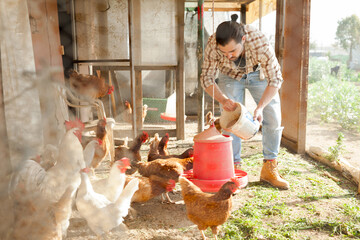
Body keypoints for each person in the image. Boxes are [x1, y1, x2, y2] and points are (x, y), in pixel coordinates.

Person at [200, 14, 289, 190]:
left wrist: (260, 107)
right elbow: (206, 79)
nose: (228, 55)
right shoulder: (212, 43)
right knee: (229, 121)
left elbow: (276, 79)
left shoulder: (259, 42)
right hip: (229, 76)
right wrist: (223, 99)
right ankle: (232, 168)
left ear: (243, 39)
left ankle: (269, 168)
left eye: (232, 51)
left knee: (273, 117)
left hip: (258, 74)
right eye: (224, 52)